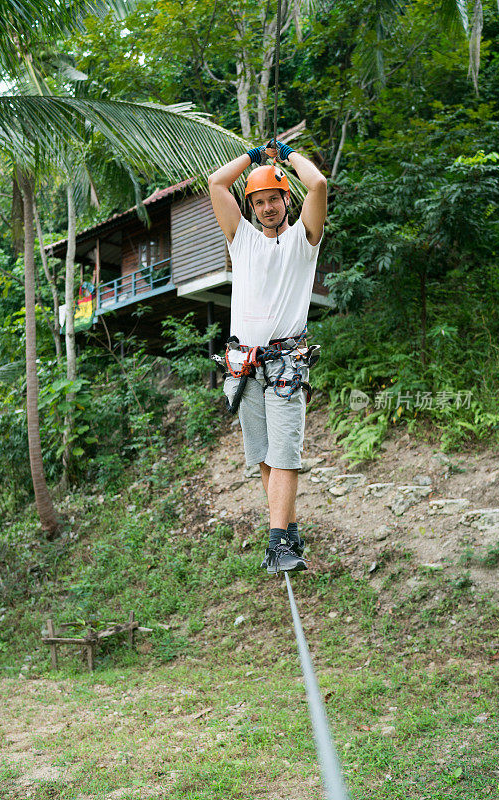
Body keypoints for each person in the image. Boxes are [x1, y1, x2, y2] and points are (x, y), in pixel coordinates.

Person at [208, 139, 327, 574]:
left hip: (285, 366)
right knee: (263, 452)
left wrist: (287, 154)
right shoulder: (242, 240)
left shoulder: (303, 240)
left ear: (286, 198)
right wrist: (256, 158)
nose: (266, 207)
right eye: (258, 201)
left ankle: (277, 543)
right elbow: (216, 182)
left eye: (273, 198)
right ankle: (287, 530)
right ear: (251, 206)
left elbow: (319, 185)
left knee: (285, 454)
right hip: (243, 363)